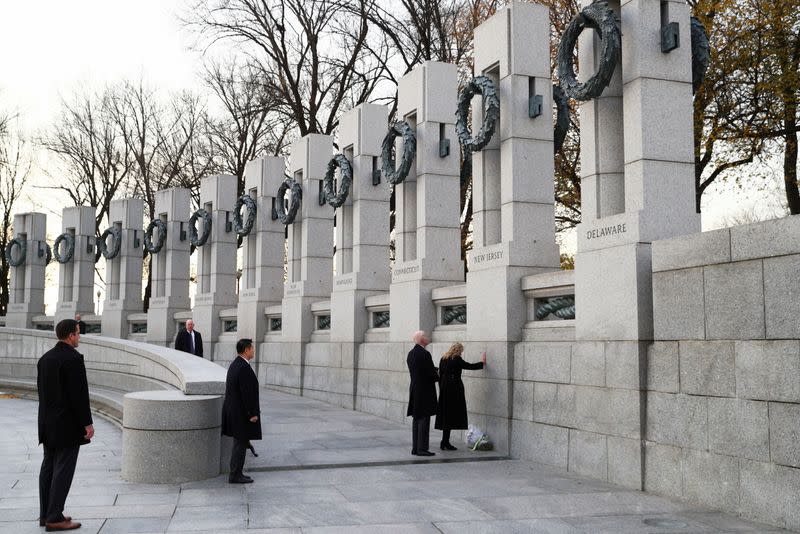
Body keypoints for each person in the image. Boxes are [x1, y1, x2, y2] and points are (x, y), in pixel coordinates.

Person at [38, 319, 94, 532]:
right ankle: (54, 517)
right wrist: (87, 424)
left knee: (48, 467)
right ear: (70, 335)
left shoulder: (45, 359)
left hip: (47, 423)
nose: (79, 336)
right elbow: (79, 396)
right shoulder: (73, 358)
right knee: (63, 470)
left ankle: (46, 514)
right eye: (78, 333)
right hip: (67, 425)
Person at [221, 338, 261, 483]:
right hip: (241, 414)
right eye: (252, 348)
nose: (253, 350)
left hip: (235, 412)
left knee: (240, 443)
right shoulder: (243, 367)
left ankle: (236, 473)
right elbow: (246, 393)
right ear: (246, 350)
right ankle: (235, 474)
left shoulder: (236, 364)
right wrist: (252, 414)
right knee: (240, 443)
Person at [435, 343, 486, 450]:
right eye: (461, 351)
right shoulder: (457, 359)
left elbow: (440, 375)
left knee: (446, 416)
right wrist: (482, 363)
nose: (461, 353)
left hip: (444, 391)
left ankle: (444, 441)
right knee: (452, 416)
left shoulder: (443, 358)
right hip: (454, 391)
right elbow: (469, 366)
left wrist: (442, 389)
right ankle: (445, 442)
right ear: (458, 350)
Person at [406, 330, 438, 456]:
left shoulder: (411, 353)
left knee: (416, 420)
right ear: (420, 339)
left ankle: (415, 448)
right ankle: (422, 449)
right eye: (425, 335)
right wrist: (439, 376)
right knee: (424, 420)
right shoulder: (425, 354)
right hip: (425, 391)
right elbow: (430, 374)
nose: (427, 337)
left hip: (415, 390)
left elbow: (419, 370)